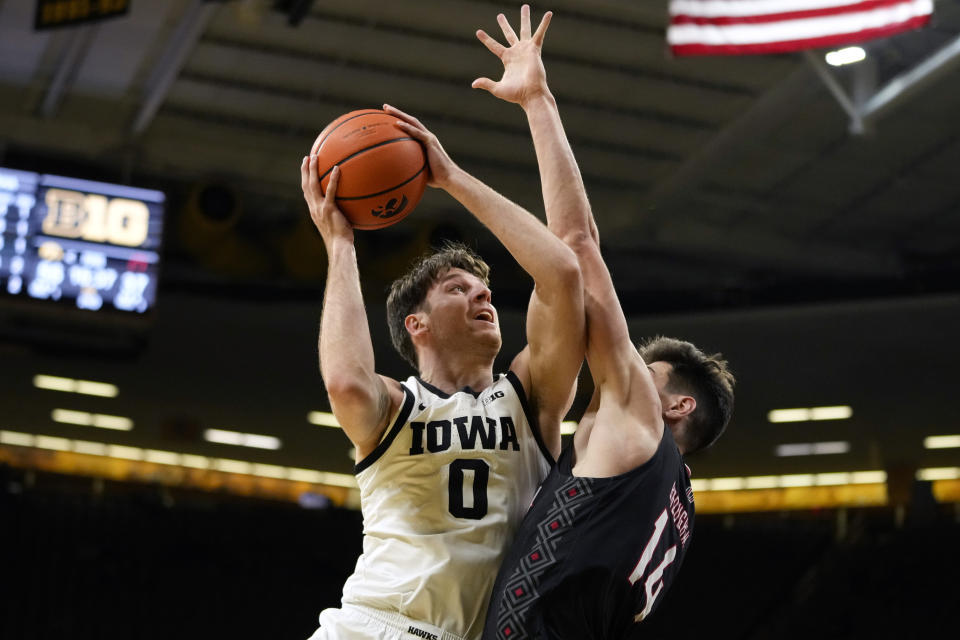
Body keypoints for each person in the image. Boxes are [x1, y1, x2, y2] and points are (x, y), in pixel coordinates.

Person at [471, 7, 736, 639]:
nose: (612, 375)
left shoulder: (638, 419)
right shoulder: (678, 504)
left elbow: (578, 246)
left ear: (673, 405)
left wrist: (537, 102)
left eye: (644, 373)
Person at [300, 101, 585, 640]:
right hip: (371, 625)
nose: (482, 293)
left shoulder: (531, 398)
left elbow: (563, 274)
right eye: (457, 289)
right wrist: (339, 244)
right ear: (417, 324)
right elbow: (344, 381)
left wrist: (450, 178)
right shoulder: (395, 407)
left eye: (486, 290)